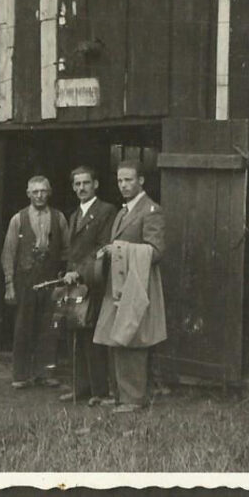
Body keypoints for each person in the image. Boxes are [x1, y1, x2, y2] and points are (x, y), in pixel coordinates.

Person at [93, 160, 166, 414]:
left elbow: (156, 251)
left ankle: (133, 399)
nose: (123, 185)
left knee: (132, 338)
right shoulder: (122, 212)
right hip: (118, 284)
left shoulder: (151, 211)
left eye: (129, 180)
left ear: (141, 181)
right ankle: (119, 395)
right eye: (120, 180)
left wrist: (120, 249)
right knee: (116, 338)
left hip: (137, 285)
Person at [1, 175, 70, 389]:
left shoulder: (59, 218)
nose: (39, 195)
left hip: (51, 280)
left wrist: (65, 278)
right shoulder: (18, 219)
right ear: (28, 194)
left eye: (43, 191)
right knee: (23, 326)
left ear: (49, 193)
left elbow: (68, 251)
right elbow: (8, 253)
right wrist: (9, 284)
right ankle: (21, 375)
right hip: (26, 280)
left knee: (50, 327)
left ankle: (46, 373)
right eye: (35, 192)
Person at [59, 166, 117, 404]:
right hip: (76, 282)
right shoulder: (74, 215)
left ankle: (99, 390)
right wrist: (68, 273)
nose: (81, 188)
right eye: (77, 184)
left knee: (94, 335)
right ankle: (81, 387)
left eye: (86, 183)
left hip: (95, 279)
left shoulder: (106, 211)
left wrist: (79, 272)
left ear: (96, 184)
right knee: (77, 332)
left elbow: (103, 247)